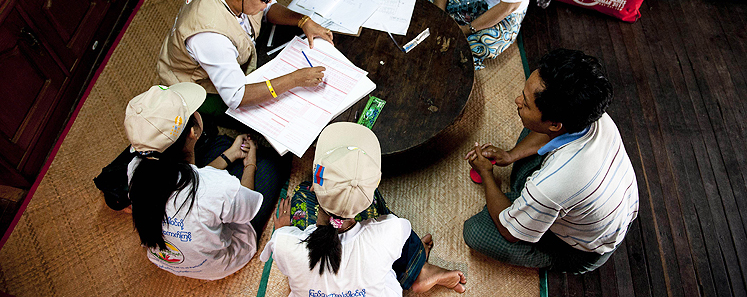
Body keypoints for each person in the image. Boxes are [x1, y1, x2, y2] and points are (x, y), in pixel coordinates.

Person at [463, 49, 639, 274]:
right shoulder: (592, 116)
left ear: (556, 124)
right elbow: (549, 134)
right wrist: (510, 155)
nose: (517, 101)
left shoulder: (550, 186)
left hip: (585, 251)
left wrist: (487, 175)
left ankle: (552, 257)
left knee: (476, 232)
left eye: (525, 103)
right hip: (611, 213)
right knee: (531, 132)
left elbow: (509, 232)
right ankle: (529, 208)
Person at [260, 122, 467, 295]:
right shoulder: (390, 230)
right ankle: (418, 268)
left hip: (301, 241)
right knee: (391, 240)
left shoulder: (285, 244)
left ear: (317, 185)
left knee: (300, 192)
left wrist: (283, 231)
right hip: (379, 244)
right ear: (369, 198)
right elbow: (390, 231)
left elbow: (288, 256)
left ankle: (420, 270)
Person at [124, 83, 285, 280]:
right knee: (273, 160)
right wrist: (250, 163)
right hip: (219, 263)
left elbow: (191, 181)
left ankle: (229, 152)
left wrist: (230, 155)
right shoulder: (215, 187)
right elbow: (247, 209)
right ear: (193, 132)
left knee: (222, 146)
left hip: (165, 258)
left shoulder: (135, 168)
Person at [157, 0, 334, 119]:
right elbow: (237, 97)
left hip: (230, 50)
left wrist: (303, 21)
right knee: (274, 111)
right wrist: (294, 80)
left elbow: (267, 8)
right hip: (199, 87)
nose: (270, 1)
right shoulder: (210, 38)